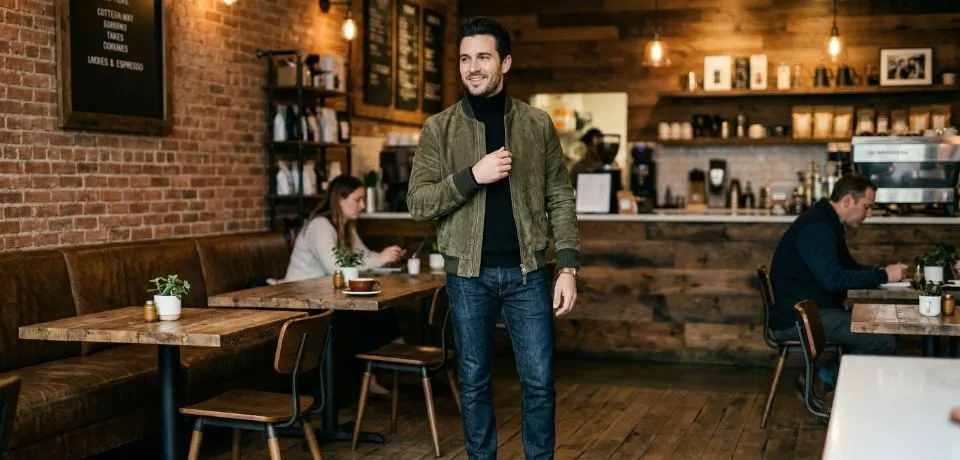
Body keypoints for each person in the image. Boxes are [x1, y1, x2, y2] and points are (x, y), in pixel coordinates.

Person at [406, 16, 579, 460]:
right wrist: (471, 177)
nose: (473, 67)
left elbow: (559, 196)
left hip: (529, 273)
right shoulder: (438, 128)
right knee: (474, 381)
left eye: (483, 57)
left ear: (505, 63)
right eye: (465, 58)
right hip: (467, 276)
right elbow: (419, 203)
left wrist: (568, 267)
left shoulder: (537, 124)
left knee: (539, 382)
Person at [769, 174, 906, 387]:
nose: (869, 214)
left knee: (889, 326)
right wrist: (883, 276)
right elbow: (833, 280)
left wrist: (883, 273)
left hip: (815, 310)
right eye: (866, 206)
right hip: (800, 318)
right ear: (848, 201)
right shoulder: (818, 227)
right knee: (882, 340)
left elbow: (847, 267)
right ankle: (824, 381)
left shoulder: (829, 222)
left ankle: (828, 379)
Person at [284, 174, 406, 396]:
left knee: (380, 310)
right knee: (366, 316)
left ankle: (374, 373)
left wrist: (384, 257)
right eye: (357, 199)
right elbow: (337, 268)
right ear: (339, 199)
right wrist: (380, 258)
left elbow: (363, 257)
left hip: (327, 298)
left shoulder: (347, 227)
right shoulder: (319, 225)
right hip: (300, 301)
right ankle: (382, 368)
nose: (363, 205)